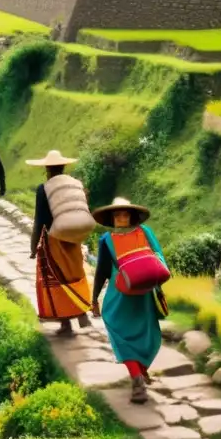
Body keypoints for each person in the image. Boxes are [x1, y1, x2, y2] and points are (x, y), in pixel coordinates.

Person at [91, 197, 168, 404]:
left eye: (124, 214)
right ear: (113, 217)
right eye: (118, 215)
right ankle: (140, 374)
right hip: (143, 294)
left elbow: (102, 273)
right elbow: (158, 260)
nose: (121, 218)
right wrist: (158, 288)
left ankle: (137, 379)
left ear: (130, 216)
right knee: (144, 333)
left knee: (120, 334)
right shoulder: (146, 232)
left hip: (120, 294)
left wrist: (94, 299)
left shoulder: (107, 239)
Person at [27, 150, 94, 336]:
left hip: (55, 239)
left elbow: (39, 221)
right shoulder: (74, 184)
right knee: (76, 273)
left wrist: (33, 247)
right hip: (75, 238)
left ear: (47, 169)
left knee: (57, 278)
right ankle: (82, 312)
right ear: (63, 167)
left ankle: (65, 322)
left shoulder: (44, 189)